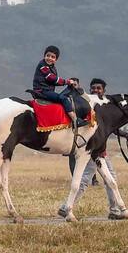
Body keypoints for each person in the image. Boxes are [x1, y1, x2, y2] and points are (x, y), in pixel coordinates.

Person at [59, 78, 128, 220]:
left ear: (104, 91)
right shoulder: (87, 106)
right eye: (93, 88)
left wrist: (124, 134)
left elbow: (109, 127)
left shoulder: (102, 107)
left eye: (99, 88)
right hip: (90, 151)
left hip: (100, 151)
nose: (95, 90)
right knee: (85, 179)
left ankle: (115, 209)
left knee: (108, 178)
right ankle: (66, 207)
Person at [32, 45, 85, 127]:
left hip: (46, 90)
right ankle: (75, 120)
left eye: (53, 57)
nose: (49, 58)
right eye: (48, 56)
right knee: (63, 98)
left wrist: (66, 82)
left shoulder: (52, 67)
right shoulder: (43, 65)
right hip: (42, 91)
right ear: (44, 56)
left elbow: (54, 81)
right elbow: (51, 78)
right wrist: (67, 82)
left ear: (56, 59)